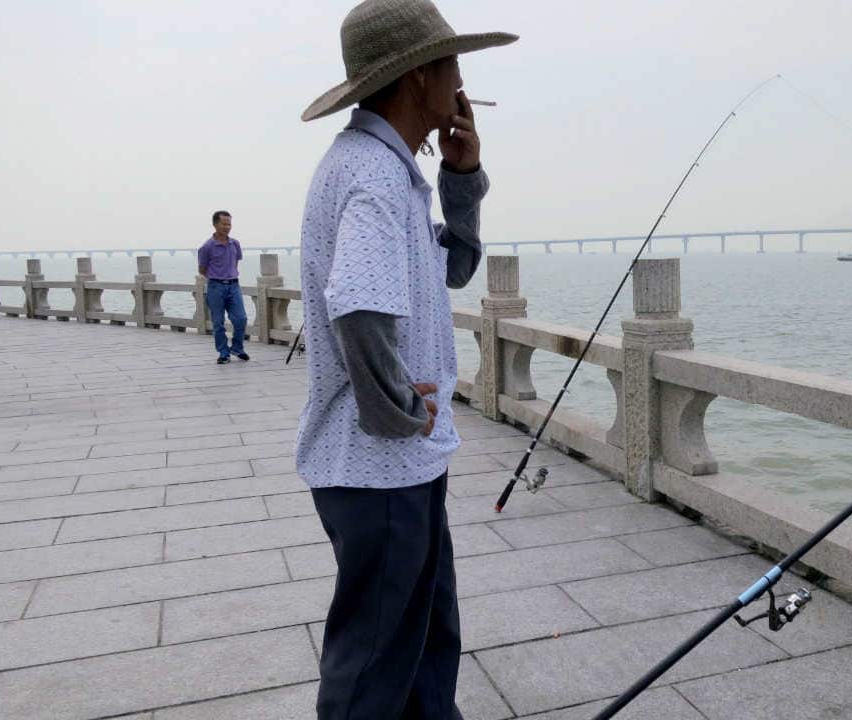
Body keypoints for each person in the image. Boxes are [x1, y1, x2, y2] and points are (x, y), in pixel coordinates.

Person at [295, 1, 515, 718]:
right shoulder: (374, 177)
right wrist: (397, 411)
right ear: (420, 77)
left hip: (399, 466)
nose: (461, 82)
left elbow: (447, 271)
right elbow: (356, 304)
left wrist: (463, 176)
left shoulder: (384, 168)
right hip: (379, 468)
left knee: (424, 644)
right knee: (374, 667)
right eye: (451, 64)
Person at [197, 210, 248, 364]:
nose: (227, 227)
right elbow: (202, 269)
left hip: (233, 285)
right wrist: (217, 278)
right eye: (224, 224)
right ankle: (223, 352)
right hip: (215, 287)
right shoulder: (207, 247)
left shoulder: (235, 244)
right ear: (215, 225)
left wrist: (229, 275)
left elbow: (235, 261)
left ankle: (237, 348)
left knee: (241, 318)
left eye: (229, 224)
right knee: (218, 322)